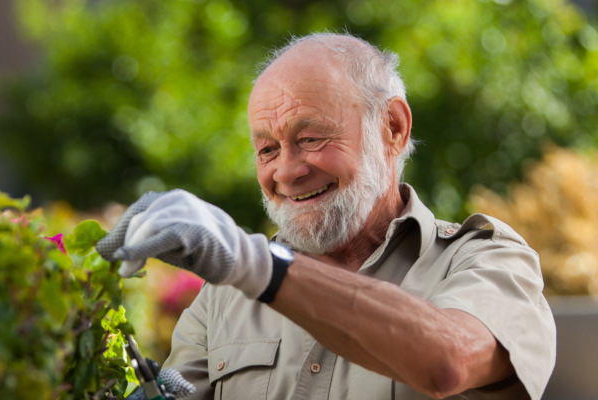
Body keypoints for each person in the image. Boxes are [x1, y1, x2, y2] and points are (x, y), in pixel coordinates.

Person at [96, 33, 555, 400]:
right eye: (267, 150)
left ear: (392, 127)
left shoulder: (487, 260)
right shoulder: (223, 297)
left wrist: (255, 266)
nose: (287, 171)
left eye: (312, 138)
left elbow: (449, 359)